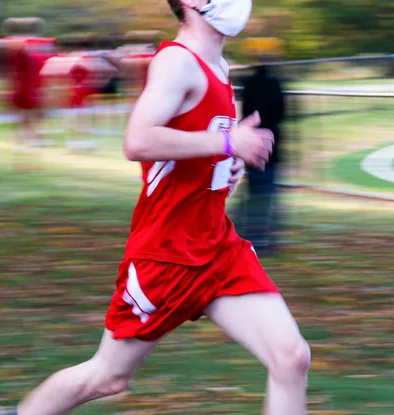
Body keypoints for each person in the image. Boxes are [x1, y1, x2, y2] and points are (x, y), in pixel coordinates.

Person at [10, 1, 311, 414]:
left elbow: (196, 148)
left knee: (292, 358)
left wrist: (229, 163)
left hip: (217, 246)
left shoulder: (220, 67)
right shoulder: (176, 62)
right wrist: (227, 144)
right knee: (108, 377)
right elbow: (138, 141)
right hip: (166, 254)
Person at [241, 61, 285, 253]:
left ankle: (252, 237)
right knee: (268, 193)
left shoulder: (248, 84)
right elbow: (281, 113)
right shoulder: (275, 84)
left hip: (251, 142)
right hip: (272, 144)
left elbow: (245, 111)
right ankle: (264, 238)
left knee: (254, 193)